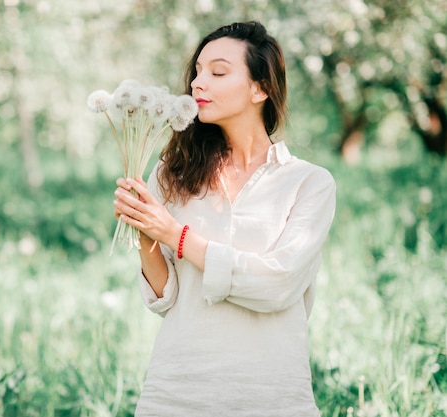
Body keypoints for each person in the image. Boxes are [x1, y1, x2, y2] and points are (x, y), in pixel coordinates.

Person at [112, 21, 336, 416]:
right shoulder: (172, 172)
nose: (198, 83)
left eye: (217, 72)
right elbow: (166, 298)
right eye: (197, 71)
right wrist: (144, 228)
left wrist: (176, 234)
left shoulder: (309, 183)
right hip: (176, 392)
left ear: (260, 88)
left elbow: (277, 284)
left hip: (272, 397)